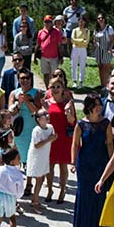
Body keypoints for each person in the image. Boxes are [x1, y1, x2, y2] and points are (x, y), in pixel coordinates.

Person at [71, 94, 112, 227]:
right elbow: (75, 144)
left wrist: (112, 160)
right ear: (89, 107)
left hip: (101, 162)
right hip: (84, 163)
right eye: (95, 105)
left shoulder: (106, 123)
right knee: (84, 194)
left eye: (100, 104)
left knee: (99, 194)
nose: (99, 107)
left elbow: (109, 144)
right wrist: (73, 162)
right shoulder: (81, 124)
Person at [45, 73, 77, 204]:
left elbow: (73, 122)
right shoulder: (47, 103)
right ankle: (50, 189)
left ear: (63, 88)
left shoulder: (68, 102)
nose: (55, 89)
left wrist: (69, 114)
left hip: (63, 137)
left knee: (63, 166)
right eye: (53, 86)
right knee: (50, 166)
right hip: (51, 137)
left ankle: (63, 190)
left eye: (58, 86)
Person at [8, 70, 40, 176]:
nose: (25, 80)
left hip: (31, 126)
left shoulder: (37, 93)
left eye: (27, 78)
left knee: (31, 153)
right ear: (18, 79)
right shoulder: (14, 93)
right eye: (22, 78)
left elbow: (37, 112)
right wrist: (19, 103)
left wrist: (27, 101)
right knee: (18, 151)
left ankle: (29, 180)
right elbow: (11, 112)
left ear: (31, 79)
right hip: (19, 128)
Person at [26, 110, 56, 212]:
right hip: (36, 157)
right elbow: (37, 145)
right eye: (44, 115)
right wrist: (49, 139)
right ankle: (35, 201)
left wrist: (53, 138)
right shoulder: (36, 130)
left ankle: (35, 199)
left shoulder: (51, 127)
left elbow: (53, 137)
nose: (47, 116)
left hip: (44, 156)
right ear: (38, 119)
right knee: (39, 179)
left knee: (41, 178)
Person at [92, 14, 114, 87]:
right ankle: (102, 85)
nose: (100, 19)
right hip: (98, 50)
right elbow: (94, 39)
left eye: (102, 18)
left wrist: (110, 49)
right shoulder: (96, 29)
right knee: (100, 68)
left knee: (105, 68)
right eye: (98, 18)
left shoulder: (109, 28)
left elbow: (113, 40)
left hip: (107, 49)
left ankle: (106, 85)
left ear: (104, 19)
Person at [69, 14, 91, 88]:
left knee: (82, 65)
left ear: (85, 22)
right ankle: (74, 81)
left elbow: (87, 41)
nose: (81, 23)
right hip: (75, 48)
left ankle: (81, 81)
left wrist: (78, 42)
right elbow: (72, 40)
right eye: (80, 21)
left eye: (82, 21)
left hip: (83, 49)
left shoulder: (87, 31)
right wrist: (81, 40)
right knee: (73, 65)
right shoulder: (74, 30)